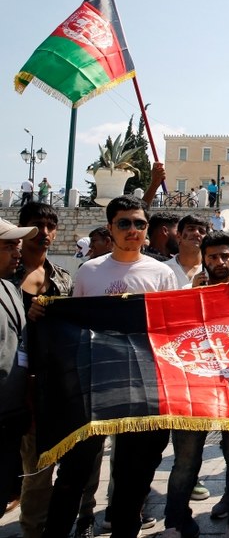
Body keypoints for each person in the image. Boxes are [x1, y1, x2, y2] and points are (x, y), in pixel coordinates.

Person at [37, 195, 179, 537]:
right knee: (73, 474)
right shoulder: (89, 271)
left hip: (141, 389)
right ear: (110, 227)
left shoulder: (162, 273)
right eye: (124, 223)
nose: (133, 230)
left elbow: (171, 328)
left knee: (133, 480)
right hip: (93, 388)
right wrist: (44, 314)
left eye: (140, 224)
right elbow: (73, 326)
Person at [164, 231, 229, 538]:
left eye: (225, 256)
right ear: (204, 259)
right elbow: (169, 331)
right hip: (194, 390)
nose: (219, 262)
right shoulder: (187, 291)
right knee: (186, 461)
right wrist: (190, 294)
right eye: (212, 257)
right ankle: (174, 523)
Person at [12, 203, 80, 538]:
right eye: (39, 225)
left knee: (40, 467)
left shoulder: (63, 279)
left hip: (50, 387)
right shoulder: (6, 277)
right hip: (11, 385)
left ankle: (34, 529)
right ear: (23, 230)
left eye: (52, 226)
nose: (47, 233)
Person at [0, 219, 38, 515]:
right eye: (9, 246)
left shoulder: (11, 288)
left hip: (12, 412)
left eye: (17, 245)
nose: (18, 252)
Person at [164, 215, 207, 288]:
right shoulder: (163, 268)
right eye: (191, 229)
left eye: (201, 231)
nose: (196, 233)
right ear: (178, 236)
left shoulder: (212, 269)